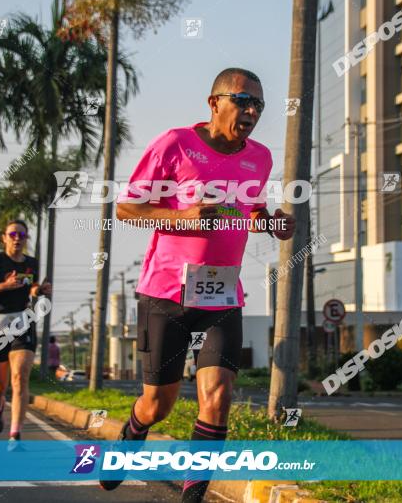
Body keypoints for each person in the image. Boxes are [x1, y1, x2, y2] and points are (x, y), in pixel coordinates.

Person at [102, 68, 295, 502]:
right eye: (243, 101)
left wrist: (272, 223)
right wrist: (181, 218)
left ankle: (192, 498)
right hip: (166, 293)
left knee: (218, 396)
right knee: (159, 404)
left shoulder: (259, 158)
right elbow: (127, 208)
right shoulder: (176, 144)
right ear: (214, 103)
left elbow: (248, 211)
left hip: (222, 294)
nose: (251, 111)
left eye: (258, 105)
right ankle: (130, 437)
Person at [0, 220, 52, 447]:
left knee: (20, 377)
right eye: (13, 234)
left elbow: (30, 287)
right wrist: (4, 286)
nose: (17, 238)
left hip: (23, 321)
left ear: (26, 239)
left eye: (22, 235)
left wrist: (39, 290)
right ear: (4, 237)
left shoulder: (32, 263)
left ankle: (15, 434)